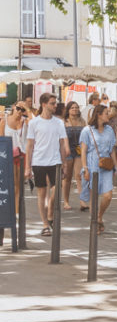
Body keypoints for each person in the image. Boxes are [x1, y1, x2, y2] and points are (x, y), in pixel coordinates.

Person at [23, 93, 69, 236]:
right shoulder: (34, 123)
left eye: (55, 103)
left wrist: (65, 164)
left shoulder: (59, 123)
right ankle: (45, 224)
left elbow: (62, 144)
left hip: (55, 161)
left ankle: (50, 212)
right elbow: (30, 146)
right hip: (39, 162)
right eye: (52, 103)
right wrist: (28, 167)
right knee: (42, 193)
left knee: (56, 191)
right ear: (44, 104)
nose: (55, 105)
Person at [82, 103, 116, 232]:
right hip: (92, 164)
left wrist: (115, 166)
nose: (109, 115)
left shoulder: (109, 130)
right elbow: (84, 150)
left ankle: (99, 216)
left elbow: (112, 149)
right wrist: (85, 168)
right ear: (99, 115)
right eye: (106, 113)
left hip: (106, 166)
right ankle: (95, 222)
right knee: (94, 196)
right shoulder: (87, 130)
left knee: (108, 196)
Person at [62, 101, 87, 211]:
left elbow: (86, 136)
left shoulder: (82, 121)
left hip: (79, 150)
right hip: (67, 150)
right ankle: (66, 201)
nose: (75, 109)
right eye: (72, 108)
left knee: (79, 175)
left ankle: (82, 201)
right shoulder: (64, 122)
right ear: (68, 110)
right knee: (67, 177)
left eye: (76, 107)